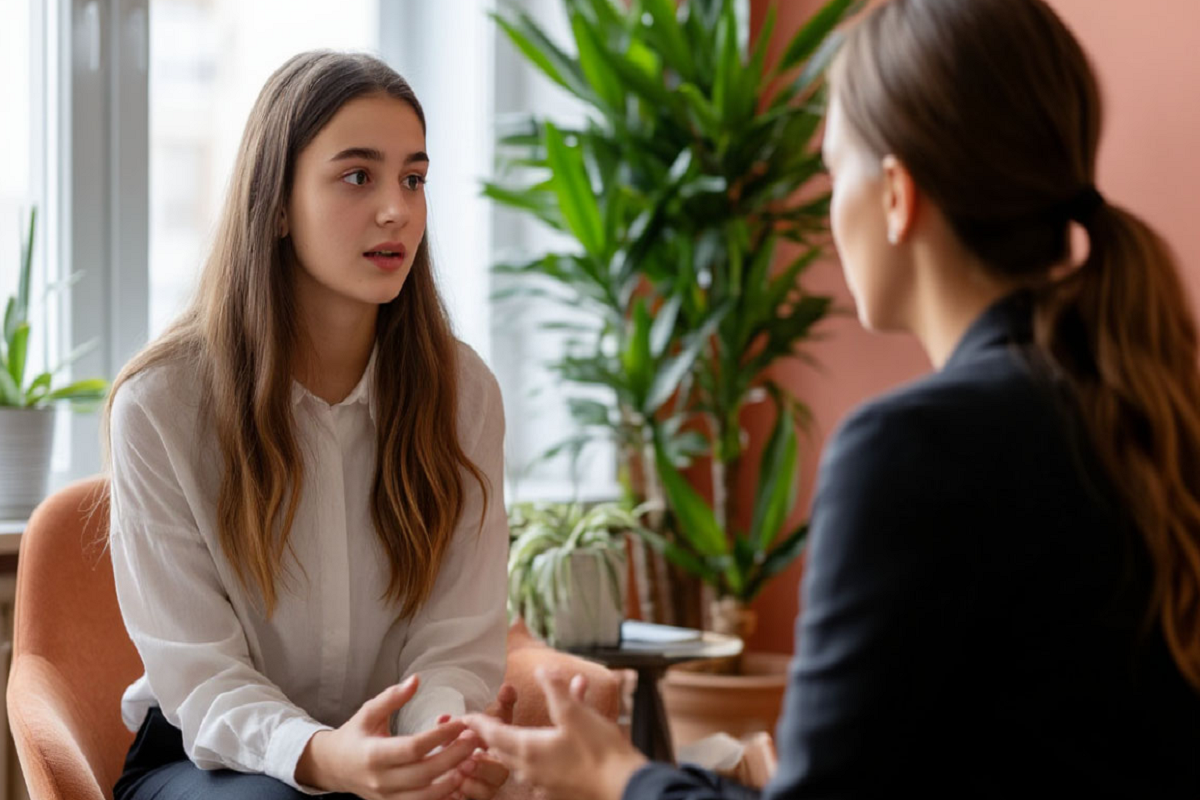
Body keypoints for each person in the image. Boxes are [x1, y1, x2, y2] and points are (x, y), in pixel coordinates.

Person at [463, 0, 1200, 797]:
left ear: (896, 195)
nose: (827, 205)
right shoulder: (1156, 409)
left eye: (834, 170)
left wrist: (618, 776)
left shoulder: (915, 449)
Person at [105, 51, 516, 800]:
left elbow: (456, 645)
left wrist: (432, 749)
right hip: (211, 759)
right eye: (358, 176)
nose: (396, 210)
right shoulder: (160, 405)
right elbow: (203, 677)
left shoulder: (466, 396)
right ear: (277, 205)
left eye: (414, 179)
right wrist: (325, 758)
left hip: (388, 750)